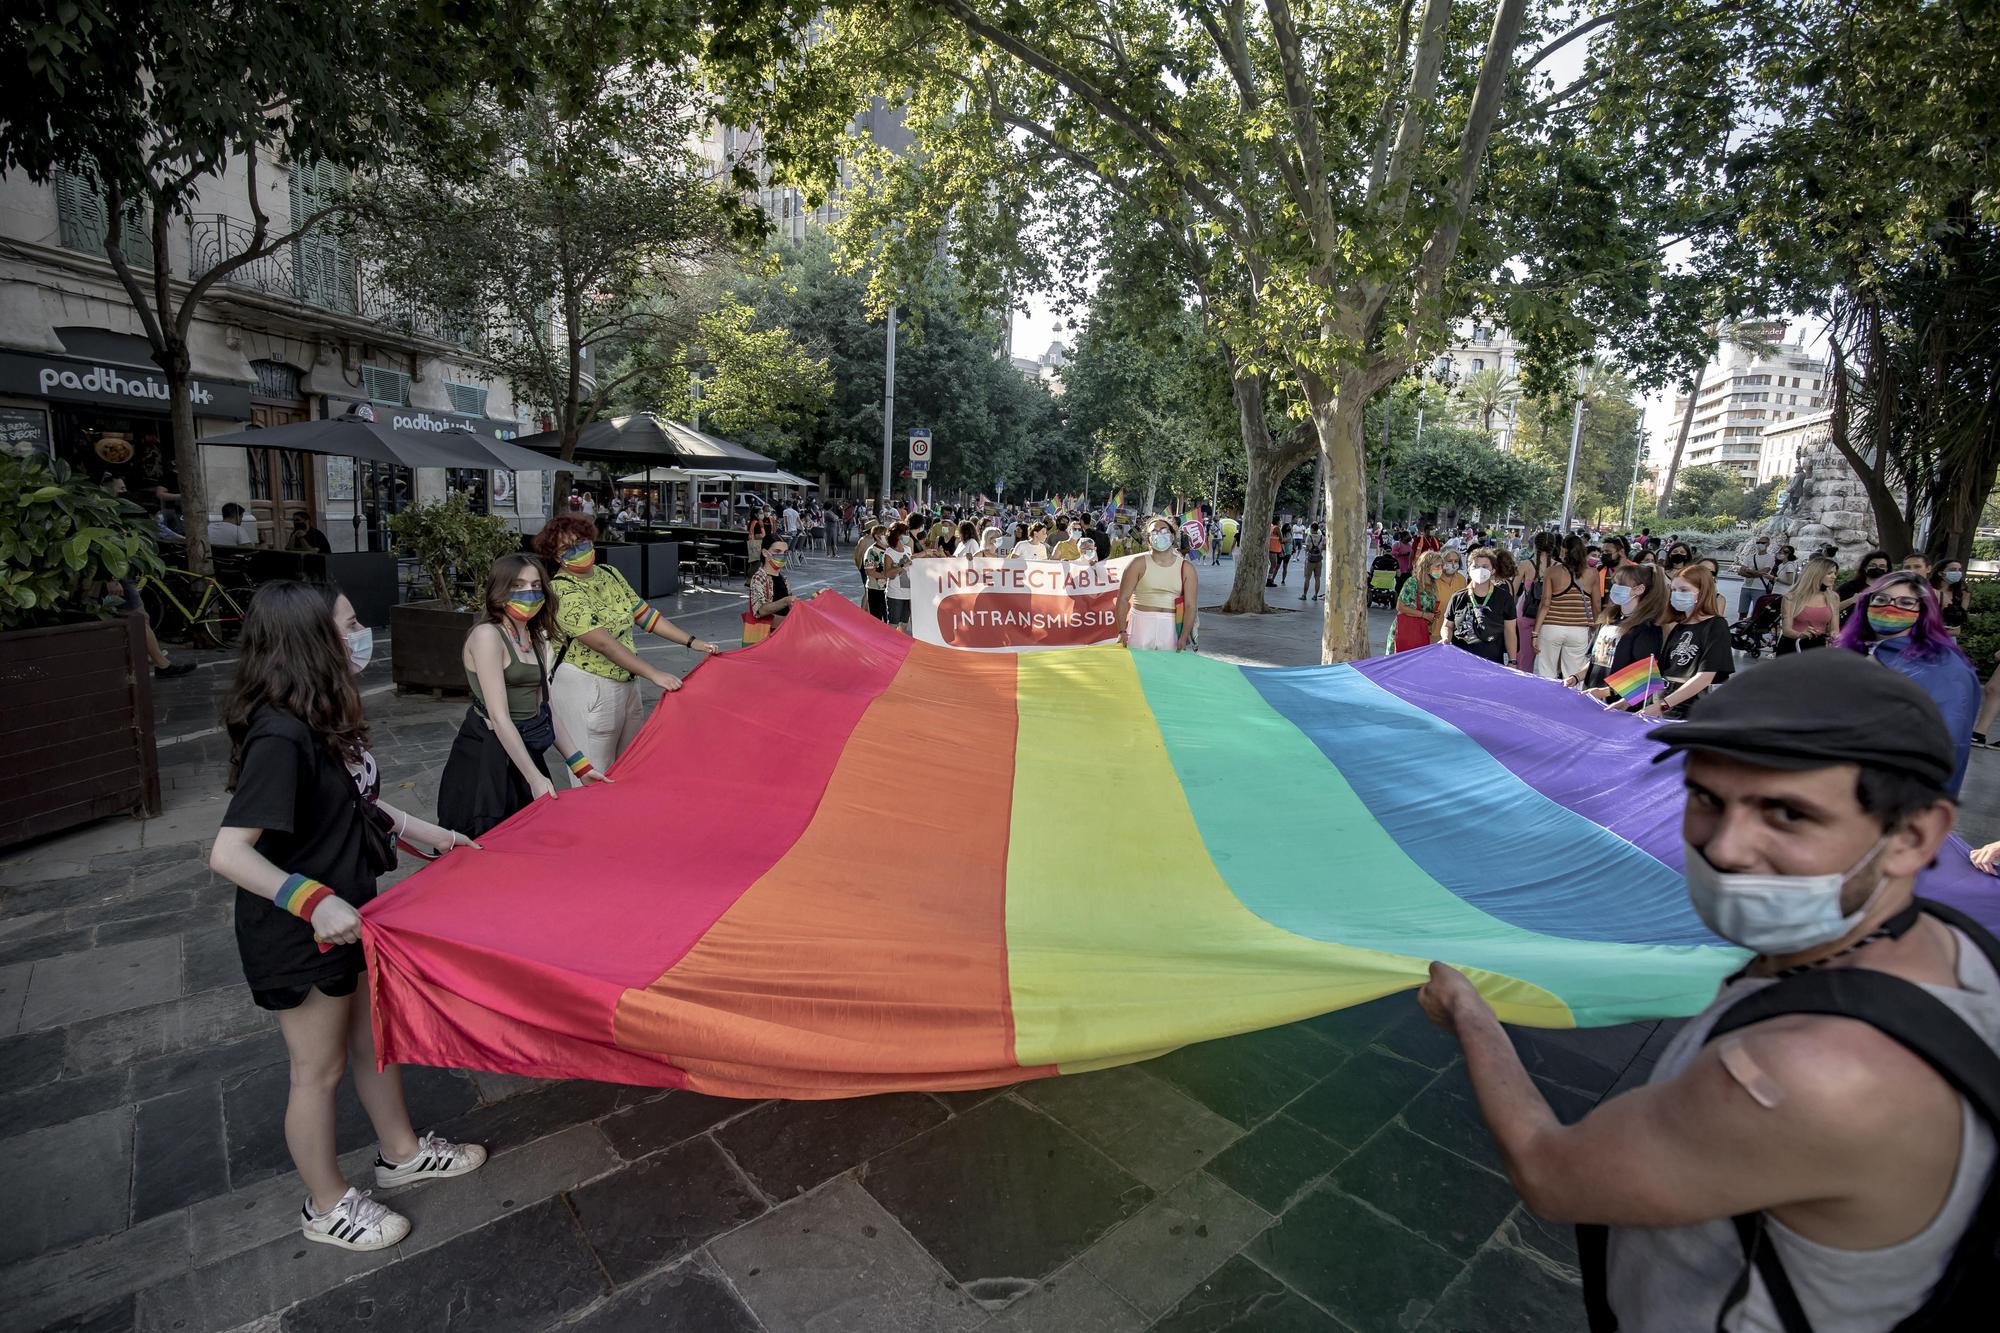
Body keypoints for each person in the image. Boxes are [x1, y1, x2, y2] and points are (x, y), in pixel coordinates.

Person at [1417, 649, 1998, 1333]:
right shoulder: (1955, 943)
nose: (1725, 846)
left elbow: (1549, 1170)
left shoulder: (1807, 1076)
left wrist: (1470, 1014)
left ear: (1914, 835)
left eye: (1786, 814)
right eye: (1705, 798)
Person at [209, 581, 487, 1253]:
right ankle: (326, 1203)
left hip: (354, 915)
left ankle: (402, 1150)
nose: (363, 630)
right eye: (351, 621)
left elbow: (360, 805)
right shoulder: (281, 733)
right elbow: (226, 851)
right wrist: (313, 899)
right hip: (299, 933)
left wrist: (435, 835)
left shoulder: (319, 716)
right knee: (318, 1071)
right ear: (311, 640)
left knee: (374, 1040)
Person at [437, 555, 609, 838]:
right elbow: (499, 716)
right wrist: (534, 778)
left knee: (529, 838)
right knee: (487, 840)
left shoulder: (536, 638)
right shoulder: (487, 636)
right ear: (499, 590)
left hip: (525, 749)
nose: (528, 594)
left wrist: (580, 766)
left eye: (535, 585)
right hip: (486, 758)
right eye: (517, 586)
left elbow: (547, 708)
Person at [535, 515, 717, 777]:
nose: (579, 551)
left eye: (583, 542)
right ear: (556, 556)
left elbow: (644, 615)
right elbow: (602, 643)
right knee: (594, 773)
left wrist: (692, 641)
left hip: (627, 682)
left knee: (629, 767)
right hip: (589, 685)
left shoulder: (609, 574)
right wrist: (654, 674)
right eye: (568, 548)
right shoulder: (560, 591)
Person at [1835, 572, 1979, 791]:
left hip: (1895, 791)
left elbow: (1946, 738)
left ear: (1923, 610)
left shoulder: (1942, 665)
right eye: (1881, 599)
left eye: (1906, 602)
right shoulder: (1855, 651)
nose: (1890, 607)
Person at [1646, 563, 1734, 718]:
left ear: (1702, 592)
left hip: (1693, 706)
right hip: (1667, 699)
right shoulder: (1680, 626)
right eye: (1673, 590)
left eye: (1684, 590)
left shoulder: (1716, 625)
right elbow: (1658, 671)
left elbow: (1705, 677)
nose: (1676, 594)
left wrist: (1663, 705)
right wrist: (1620, 696)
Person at [1579, 562, 1669, 703]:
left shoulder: (1647, 628)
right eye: (1615, 583)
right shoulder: (1608, 619)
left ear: (1639, 589)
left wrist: (1606, 692)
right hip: (1592, 694)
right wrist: (1576, 677)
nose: (1615, 587)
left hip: (1619, 704)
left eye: (1621, 584)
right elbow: (1594, 660)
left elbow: (1646, 676)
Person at [1115, 515, 1198, 651]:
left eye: (1164, 531)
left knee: (1167, 670)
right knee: (1139, 668)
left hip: (1171, 628)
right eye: (1154, 532)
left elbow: (1191, 606)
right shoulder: (1137, 564)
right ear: (1148, 539)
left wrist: (1183, 637)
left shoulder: (1187, 568)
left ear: (1172, 536)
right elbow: (1122, 599)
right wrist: (1122, 631)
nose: (1159, 535)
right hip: (1140, 626)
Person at [1533, 534, 1597, 683]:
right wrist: (1595, 627)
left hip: (1551, 627)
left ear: (1563, 550)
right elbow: (1596, 605)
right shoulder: (1592, 573)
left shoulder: (1552, 571)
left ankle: (1545, 704)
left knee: (1546, 672)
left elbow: (1545, 603)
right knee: (1574, 676)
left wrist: (1535, 633)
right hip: (1579, 629)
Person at [1440, 547, 1518, 666]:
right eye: (1475, 566)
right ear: (1469, 570)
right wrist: (1446, 638)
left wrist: (1513, 660)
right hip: (1459, 663)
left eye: (1485, 567)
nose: (1480, 570)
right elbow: (1447, 625)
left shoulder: (1504, 598)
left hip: (1491, 663)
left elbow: (1510, 631)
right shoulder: (1457, 597)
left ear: (1492, 570)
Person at [1775, 557, 1841, 655]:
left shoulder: (1833, 597)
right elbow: (1786, 630)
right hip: (1793, 647)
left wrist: (1835, 637)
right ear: (1817, 574)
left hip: (1818, 647)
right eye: (1829, 573)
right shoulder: (1791, 597)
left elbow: (1834, 629)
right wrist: (1800, 634)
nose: (1834, 577)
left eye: (1835, 573)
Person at [1393, 550, 1446, 653]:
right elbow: (1400, 607)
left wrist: (1433, 614)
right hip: (1406, 631)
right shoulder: (1413, 582)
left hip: (1421, 631)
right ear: (1426, 567)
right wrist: (1424, 615)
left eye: (1441, 566)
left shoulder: (1433, 584)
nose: (1440, 570)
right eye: (1437, 566)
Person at [746, 532, 796, 635]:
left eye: (785, 552)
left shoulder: (783, 578)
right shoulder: (759, 577)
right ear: (765, 553)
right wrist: (786, 601)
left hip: (782, 633)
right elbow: (760, 610)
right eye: (777, 551)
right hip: (768, 636)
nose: (782, 555)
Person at [1735, 533, 1777, 619]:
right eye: (1759, 542)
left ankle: (1754, 630)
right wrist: (1754, 573)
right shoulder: (1749, 557)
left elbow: (1764, 572)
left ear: (1768, 544)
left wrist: (1749, 571)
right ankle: (1740, 628)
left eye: (1763, 543)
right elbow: (1741, 571)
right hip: (1746, 587)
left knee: (1757, 612)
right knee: (1742, 611)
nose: (1760, 544)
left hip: (1760, 588)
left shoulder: (1770, 558)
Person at [882, 522, 915, 633]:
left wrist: (927, 553)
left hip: (908, 593)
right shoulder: (889, 553)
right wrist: (902, 566)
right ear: (897, 535)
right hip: (895, 594)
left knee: (904, 624)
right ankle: (888, 646)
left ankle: (899, 647)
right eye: (904, 533)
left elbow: (914, 560)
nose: (906, 536)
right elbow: (887, 573)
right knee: (893, 624)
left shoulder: (908, 549)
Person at [860, 524, 893, 620]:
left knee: (888, 617)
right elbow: (870, 572)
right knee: (877, 618)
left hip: (887, 589)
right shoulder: (872, 551)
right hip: (875, 589)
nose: (887, 536)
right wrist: (886, 576)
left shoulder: (888, 550)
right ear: (877, 537)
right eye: (885, 534)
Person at [1932, 559, 1970, 638]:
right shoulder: (1928, 590)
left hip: (1946, 638)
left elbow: (1957, 626)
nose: (1957, 573)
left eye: (1959, 570)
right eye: (1953, 570)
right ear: (1940, 573)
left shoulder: (1962, 594)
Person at [1302, 523, 1325, 601]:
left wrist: (1306, 548)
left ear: (1312, 528)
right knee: (1317, 578)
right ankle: (1315, 595)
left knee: (1307, 578)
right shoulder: (1322, 537)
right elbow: (1324, 547)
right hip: (1318, 560)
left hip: (1310, 560)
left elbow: (1307, 548)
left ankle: (1304, 595)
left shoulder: (1309, 536)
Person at [1391, 530, 1414, 595]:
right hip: (1399, 568)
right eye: (1407, 536)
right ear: (1403, 537)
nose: (1409, 537)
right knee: (1399, 584)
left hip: (1408, 568)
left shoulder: (1410, 545)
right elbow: (1393, 553)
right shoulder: (1397, 544)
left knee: (1407, 584)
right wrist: (1402, 554)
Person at [1266, 521, 1283, 586]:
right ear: (1278, 522)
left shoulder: (1271, 527)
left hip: (1271, 548)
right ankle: (1269, 580)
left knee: (1273, 564)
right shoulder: (1277, 528)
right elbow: (1281, 538)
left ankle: (1269, 580)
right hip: (1273, 548)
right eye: (1280, 521)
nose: (1280, 523)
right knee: (1273, 564)